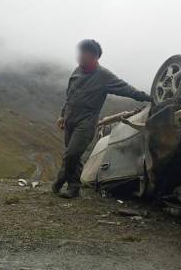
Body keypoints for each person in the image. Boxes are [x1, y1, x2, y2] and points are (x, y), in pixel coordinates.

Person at [53, 39, 151, 198]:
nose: (80, 56)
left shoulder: (104, 76)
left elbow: (127, 89)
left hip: (86, 121)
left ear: (95, 57)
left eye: (85, 53)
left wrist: (150, 98)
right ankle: (66, 181)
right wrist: (62, 115)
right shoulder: (76, 71)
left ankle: (69, 184)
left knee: (71, 154)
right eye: (80, 52)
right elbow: (69, 95)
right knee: (73, 155)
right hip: (70, 118)